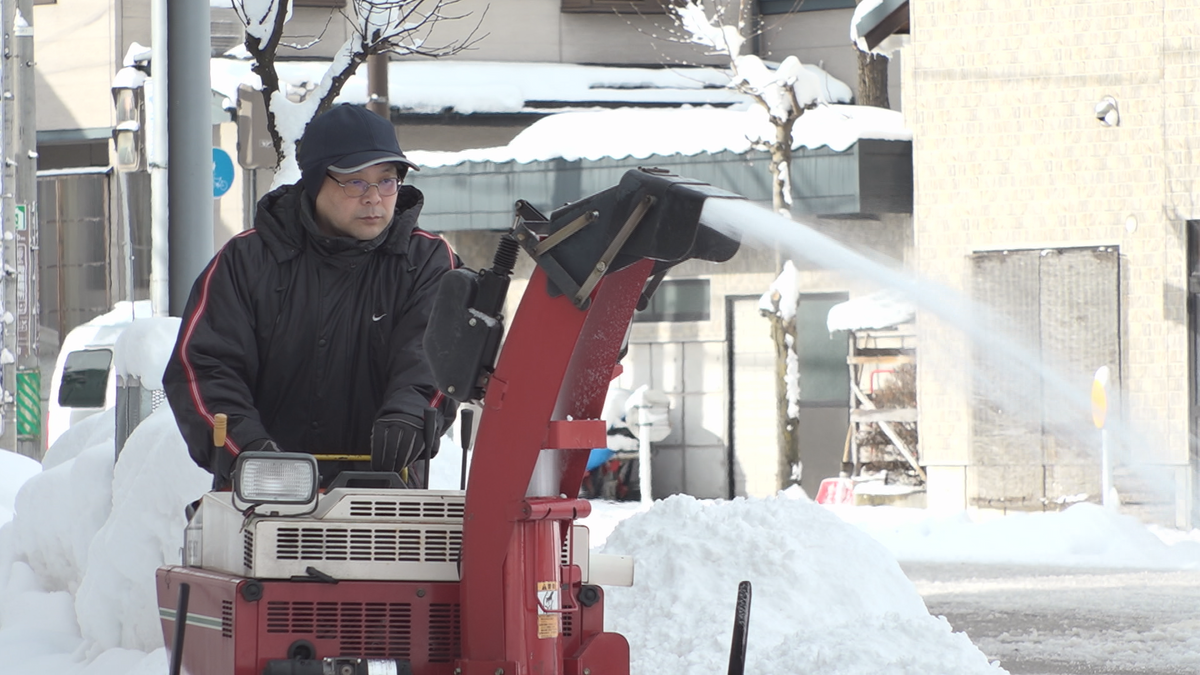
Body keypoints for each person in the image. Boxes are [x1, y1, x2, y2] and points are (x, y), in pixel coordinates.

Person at [164, 103, 460, 489]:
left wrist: (409, 415)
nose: (374, 198)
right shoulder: (246, 261)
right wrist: (249, 452)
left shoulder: (427, 262)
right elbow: (203, 370)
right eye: (355, 182)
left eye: (387, 181)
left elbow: (437, 359)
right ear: (316, 180)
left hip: (384, 501)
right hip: (262, 497)